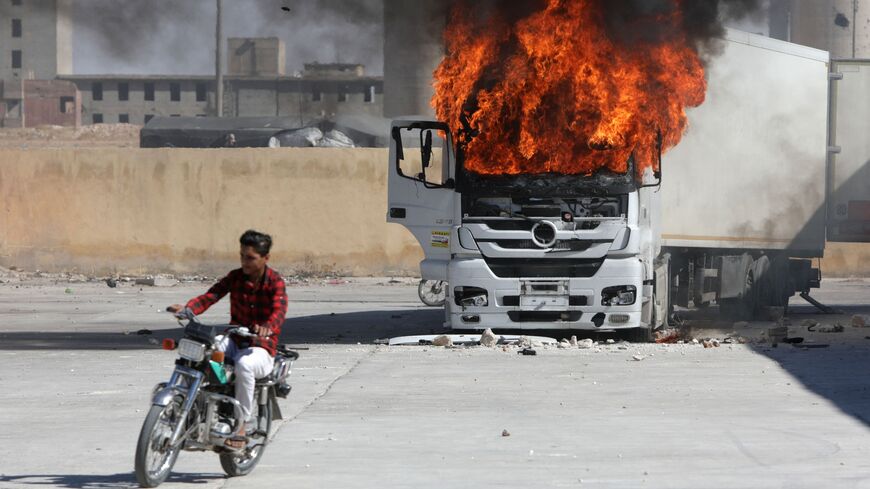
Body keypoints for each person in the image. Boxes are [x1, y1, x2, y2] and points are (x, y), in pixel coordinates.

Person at [168, 229, 287, 449]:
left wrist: (267, 327)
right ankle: (193, 405)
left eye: (250, 258)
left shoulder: (275, 282)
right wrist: (188, 308)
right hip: (235, 340)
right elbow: (211, 295)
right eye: (242, 255)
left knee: (244, 365)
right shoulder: (235, 277)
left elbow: (278, 312)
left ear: (265, 258)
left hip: (261, 348)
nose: (245, 261)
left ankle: (241, 426)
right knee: (205, 349)